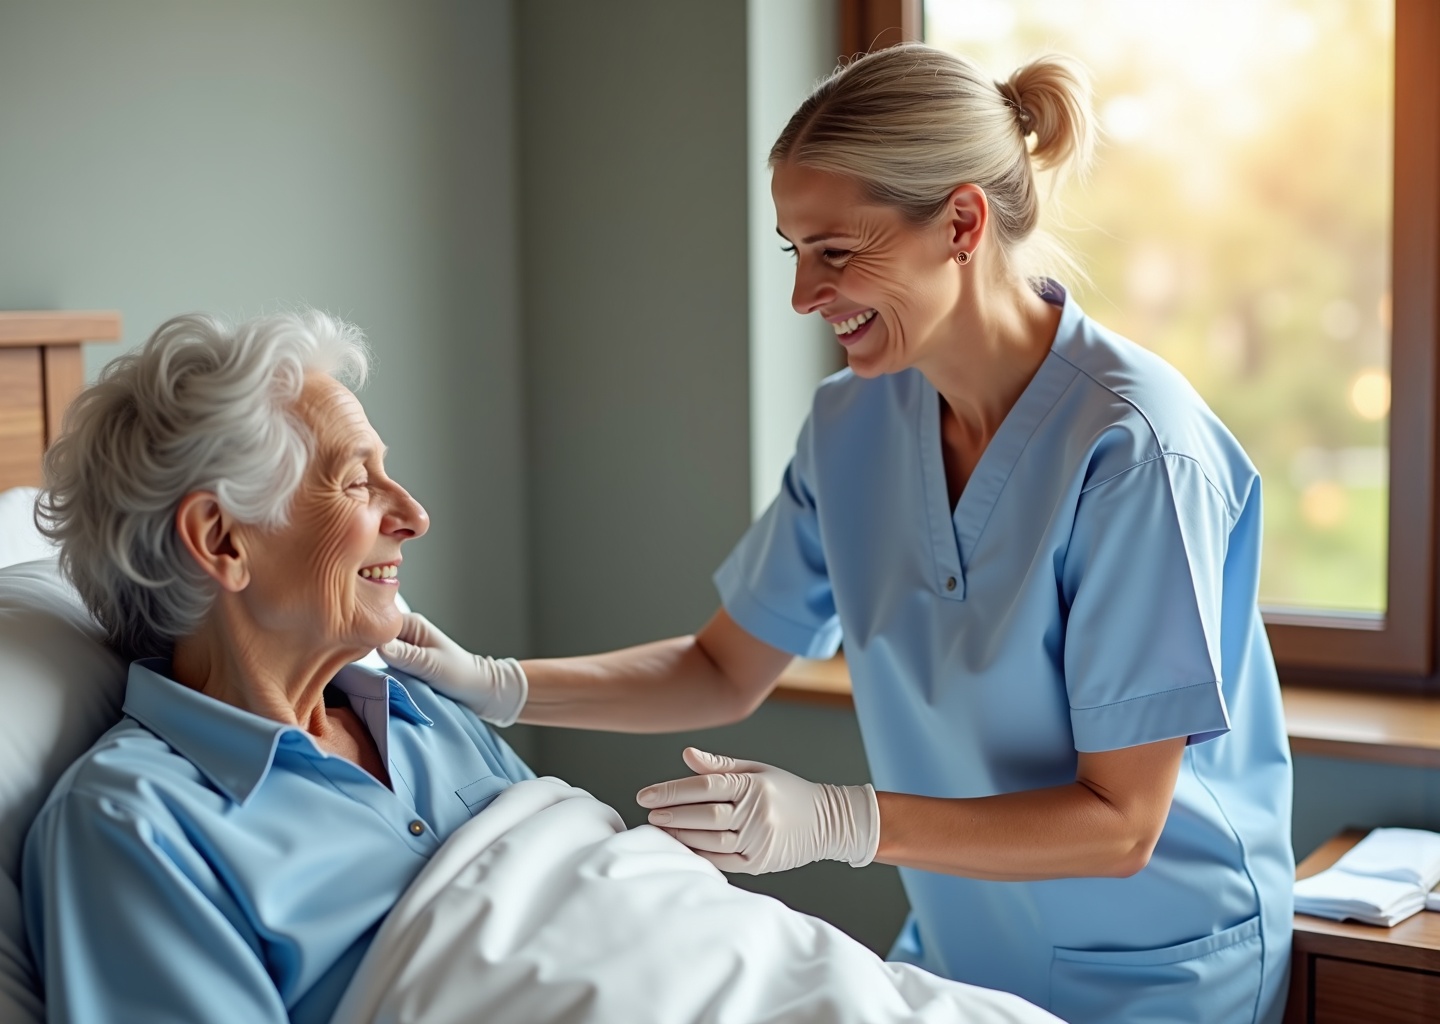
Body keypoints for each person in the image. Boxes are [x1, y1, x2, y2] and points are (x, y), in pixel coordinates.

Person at [383, 44, 1294, 1024]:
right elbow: (720, 668)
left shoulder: (1136, 448)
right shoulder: (851, 428)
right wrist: (497, 681)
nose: (803, 296)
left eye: (835, 250)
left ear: (960, 222)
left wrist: (837, 818)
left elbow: (1122, 824)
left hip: (1161, 971)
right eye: (794, 250)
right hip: (961, 952)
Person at [25, 310, 1060, 1024]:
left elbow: (625, 924)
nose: (413, 514)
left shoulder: (427, 715)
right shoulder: (134, 823)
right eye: (356, 481)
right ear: (221, 538)